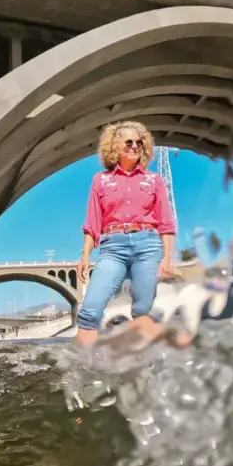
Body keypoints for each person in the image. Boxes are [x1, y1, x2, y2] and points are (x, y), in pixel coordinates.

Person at [75, 121, 176, 346]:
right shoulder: (100, 180)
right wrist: (85, 256)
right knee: (90, 310)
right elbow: (92, 223)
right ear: (115, 146)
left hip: (147, 246)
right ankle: (81, 366)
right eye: (128, 142)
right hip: (113, 248)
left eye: (139, 142)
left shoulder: (154, 180)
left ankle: (143, 365)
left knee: (143, 310)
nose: (134, 146)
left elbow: (166, 223)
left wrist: (167, 258)